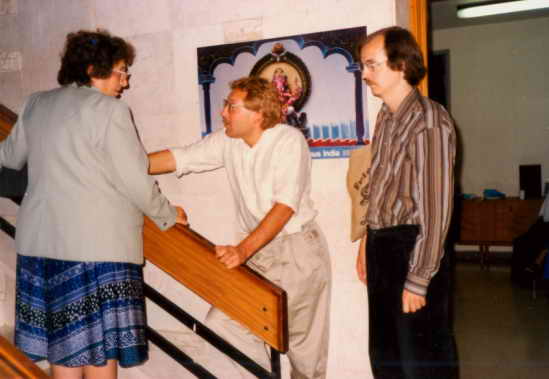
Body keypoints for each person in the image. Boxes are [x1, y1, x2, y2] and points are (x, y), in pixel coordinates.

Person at [0, 30, 187, 379]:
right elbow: (134, 179)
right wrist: (167, 214)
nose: (126, 81)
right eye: (120, 70)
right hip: (97, 251)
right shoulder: (110, 111)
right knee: (100, 355)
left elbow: (8, 157)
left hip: (42, 250)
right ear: (93, 69)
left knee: (64, 351)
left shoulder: (36, 103)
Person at [148, 76, 331, 378]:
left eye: (231, 107)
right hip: (259, 252)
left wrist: (242, 250)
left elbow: (284, 207)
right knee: (224, 323)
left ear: (258, 114)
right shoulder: (228, 141)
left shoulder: (288, 140)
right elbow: (180, 157)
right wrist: (129, 165)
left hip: (297, 250)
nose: (223, 113)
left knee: (305, 352)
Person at [355, 27, 458, 378]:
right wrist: (367, 241)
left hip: (413, 250)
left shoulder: (429, 121)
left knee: (422, 359)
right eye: (362, 65)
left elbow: (436, 208)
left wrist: (419, 278)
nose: (364, 74)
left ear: (400, 65)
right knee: (386, 355)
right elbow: (378, 187)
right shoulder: (385, 117)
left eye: (371, 65)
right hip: (382, 248)